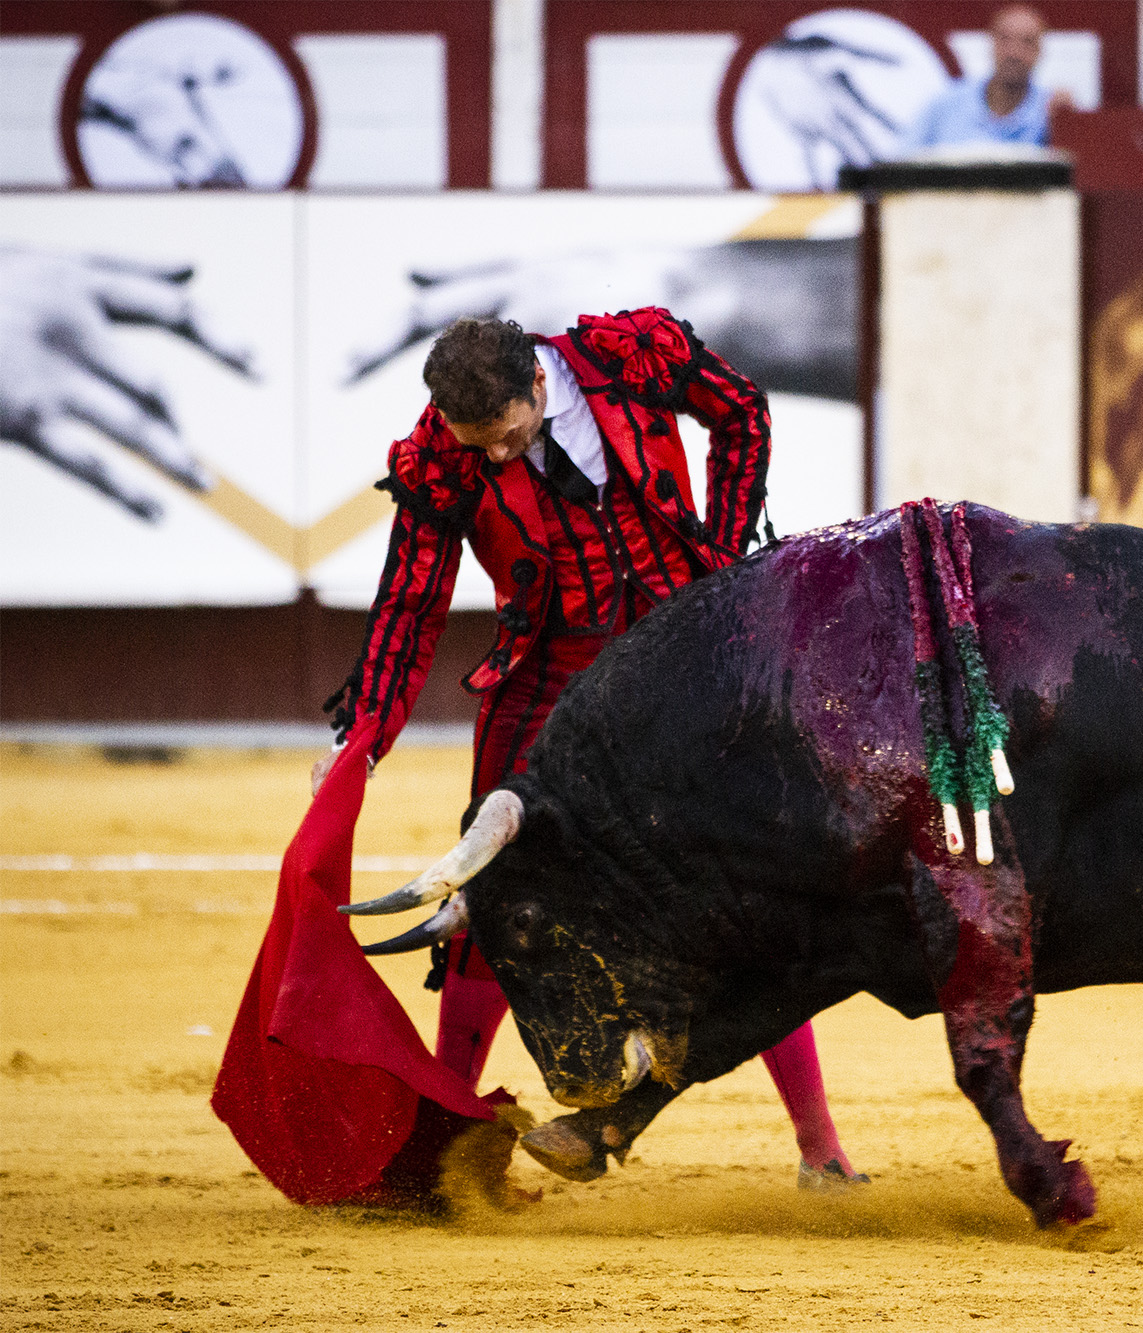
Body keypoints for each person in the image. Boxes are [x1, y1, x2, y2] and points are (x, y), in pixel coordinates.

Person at [317, 308, 866, 1191]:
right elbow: (411, 602)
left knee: (740, 894)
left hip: (678, 654)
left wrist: (724, 558)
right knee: (491, 893)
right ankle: (445, 1146)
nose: (498, 457)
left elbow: (741, 411)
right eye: (480, 446)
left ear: (539, 382)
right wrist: (364, 738)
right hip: (548, 672)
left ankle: (821, 1149)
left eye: (508, 436)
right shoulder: (443, 451)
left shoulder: (627, 360)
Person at [902, 4, 1074, 151]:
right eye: (1005, 39)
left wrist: (1066, 126)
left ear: (1040, 51)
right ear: (991, 43)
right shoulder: (945, 106)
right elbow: (902, 165)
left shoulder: (1050, 111)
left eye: (1027, 42)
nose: (1014, 53)